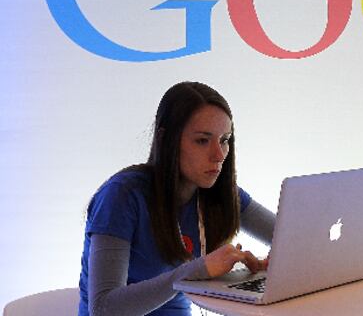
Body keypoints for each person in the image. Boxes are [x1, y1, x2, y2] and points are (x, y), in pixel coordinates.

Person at [78, 82, 276, 316]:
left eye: (224, 140)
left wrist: (268, 267)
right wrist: (194, 271)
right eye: (202, 140)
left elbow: (293, 239)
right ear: (166, 139)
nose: (219, 155)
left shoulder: (221, 193)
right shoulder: (121, 196)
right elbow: (104, 309)